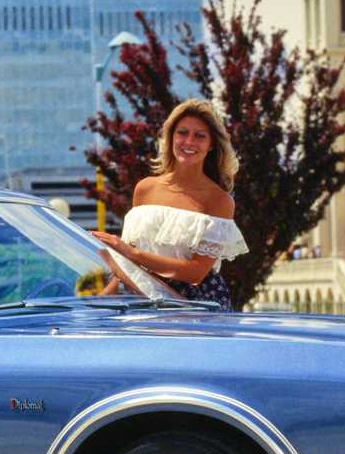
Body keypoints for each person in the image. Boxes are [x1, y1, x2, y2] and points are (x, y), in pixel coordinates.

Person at [93, 96, 247, 307]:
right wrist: (99, 301)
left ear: (211, 145)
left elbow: (195, 272)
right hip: (143, 297)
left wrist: (132, 253)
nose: (189, 142)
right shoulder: (145, 188)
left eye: (199, 136)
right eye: (182, 133)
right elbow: (127, 265)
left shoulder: (219, 200)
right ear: (171, 137)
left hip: (197, 305)